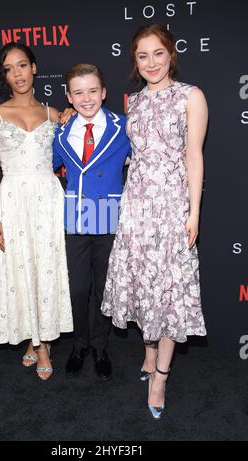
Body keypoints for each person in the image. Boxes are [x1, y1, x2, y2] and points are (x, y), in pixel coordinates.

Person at [101, 24, 208, 417]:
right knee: (143, 283)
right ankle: (148, 356)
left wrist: (193, 210)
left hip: (171, 206)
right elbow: (134, 152)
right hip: (136, 205)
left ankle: (161, 376)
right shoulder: (137, 102)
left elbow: (193, 156)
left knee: (168, 288)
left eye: (157, 54)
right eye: (142, 56)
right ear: (135, 61)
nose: (150, 63)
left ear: (171, 54)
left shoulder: (191, 96)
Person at [0, 42, 73, 380]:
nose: (17, 73)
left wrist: (72, 113)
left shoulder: (54, 114)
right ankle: (37, 343)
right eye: (9, 68)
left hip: (48, 199)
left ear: (34, 68)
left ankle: (41, 342)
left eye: (22, 65)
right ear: (4, 75)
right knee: (20, 269)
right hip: (12, 201)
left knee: (44, 268)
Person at [52, 64, 131, 380]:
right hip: (74, 219)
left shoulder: (123, 126)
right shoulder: (60, 131)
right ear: (69, 97)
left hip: (109, 217)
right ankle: (79, 344)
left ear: (104, 92)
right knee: (77, 288)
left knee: (103, 289)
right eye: (79, 92)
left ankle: (99, 345)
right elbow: (47, 167)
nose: (87, 99)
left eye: (93, 90)